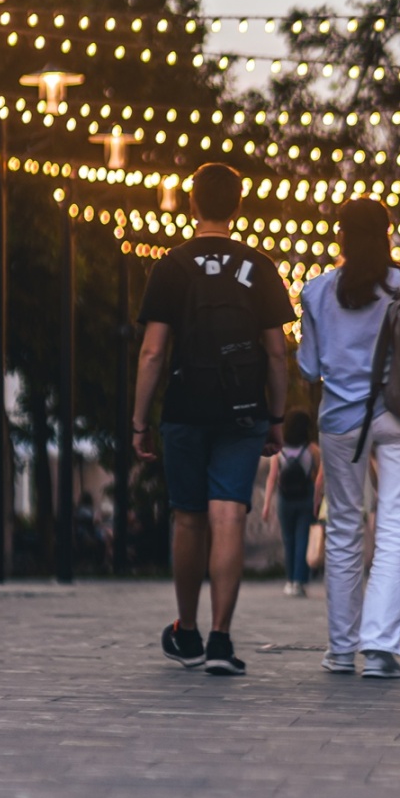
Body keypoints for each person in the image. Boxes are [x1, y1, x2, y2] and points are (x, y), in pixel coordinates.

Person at [133, 162, 295, 677]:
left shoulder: (171, 266)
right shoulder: (260, 267)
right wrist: (275, 416)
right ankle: (223, 640)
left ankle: (188, 631)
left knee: (188, 517)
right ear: (238, 205)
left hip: (185, 407)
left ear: (191, 203)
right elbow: (276, 354)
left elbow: (153, 353)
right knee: (229, 516)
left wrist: (140, 419)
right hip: (243, 409)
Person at [298, 197, 400, 679]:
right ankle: (379, 650)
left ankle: (340, 649)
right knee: (395, 528)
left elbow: (309, 368)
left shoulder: (315, 292)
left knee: (344, 530)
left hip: (340, 422)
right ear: (388, 234)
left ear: (341, 238)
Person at [262, 407, 321, 598]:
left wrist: (266, 505)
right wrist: (318, 499)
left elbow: (272, 478)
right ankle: (299, 582)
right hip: (306, 498)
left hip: (285, 499)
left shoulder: (280, 451)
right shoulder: (312, 450)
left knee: (288, 540)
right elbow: (320, 476)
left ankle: (289, 581)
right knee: (302, 539)